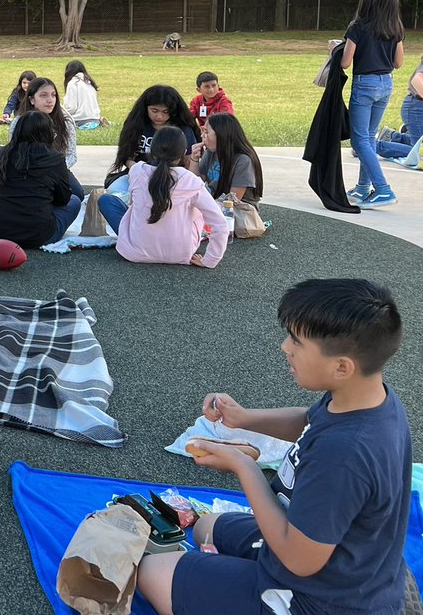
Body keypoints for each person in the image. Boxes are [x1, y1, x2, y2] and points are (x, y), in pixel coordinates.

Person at [137, 278, 410, 615]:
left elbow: (299, 560)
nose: (285, 347)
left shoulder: (344, 456)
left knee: (151, 571)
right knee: (205, 527)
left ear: (342, 366)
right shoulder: (365, 396)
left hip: (317, 598)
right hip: (336, 561)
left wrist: (243, 466)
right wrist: (242, 418)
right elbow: (309, 419)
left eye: (297, 341)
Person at [98, 127, 228, 268]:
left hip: (135, 251)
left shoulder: (137, 171)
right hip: (181, 253)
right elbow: (220, 224)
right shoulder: (192, 181)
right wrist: (210, 260)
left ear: (151, 151)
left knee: (106, 200)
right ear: (184, 153)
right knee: (199, 210)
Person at [0, 112, 81, 247]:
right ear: (48, 133)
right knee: (75, 201)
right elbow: (63, 199)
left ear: (17, 131)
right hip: (41, 236)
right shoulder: (55, 159)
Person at [342, 0, 406, 208]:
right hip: (386, 83)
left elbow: (345, 62)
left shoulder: (358, 27)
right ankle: (362, 187)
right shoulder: (395, 27)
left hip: (365, 84)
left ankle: (382, 188)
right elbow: (399, 63)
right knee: (368, 137)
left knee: (360, 142)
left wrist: (334, 49)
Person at [109, 84, 199, 187]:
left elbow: (189, 161)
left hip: (173, 178)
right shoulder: (136, 126)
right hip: (138, 176)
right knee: (114, 191)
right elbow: (126, 156)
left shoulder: (183, 130)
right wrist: (137, 170)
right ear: (145, 108)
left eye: (166, 112)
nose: (159, 116)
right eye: (154, 111)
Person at [188, 112, 264, 203]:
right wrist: (194, 160)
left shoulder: (243, 161)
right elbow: (194, 185)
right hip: (215, 204)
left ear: (222, 135)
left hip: (238, 211)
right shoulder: (211, 153)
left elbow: (232, 201)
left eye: (206, 132)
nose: (202, 136)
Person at [21, 77, 78, 171]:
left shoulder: (65, 123)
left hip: (58, 170)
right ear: (31, 99)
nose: (50, 100)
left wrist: (55, 169)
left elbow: (71, 155)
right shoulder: (20, 122)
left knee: (75, 186)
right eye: (43, 95)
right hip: (27, 171)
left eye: (53, 95)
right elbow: (15, 152)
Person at [376, 54, 423, 159]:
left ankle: (393, 137)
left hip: (416, 106)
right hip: (417, 108)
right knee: (420, 153)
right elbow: (417, 80)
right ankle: (370, 147)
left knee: (417, 144)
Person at [62, 61, 105, 127]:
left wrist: (61, 114)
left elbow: (71, 108)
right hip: (95, 118)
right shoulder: (90, 83)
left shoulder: (73, 83)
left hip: (80, 119)